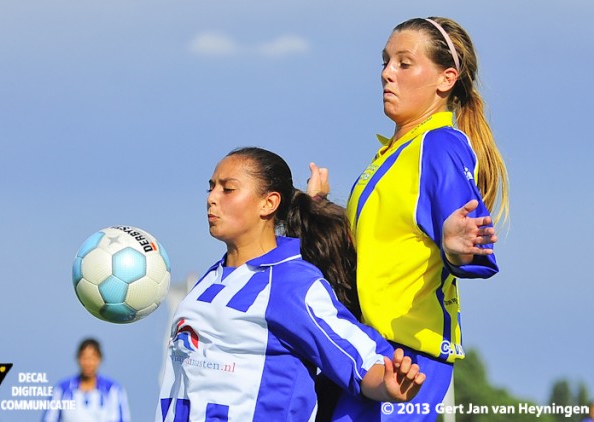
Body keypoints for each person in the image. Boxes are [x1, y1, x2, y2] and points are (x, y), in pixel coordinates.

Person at [308, 16, 509, 421]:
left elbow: (470, 244)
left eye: (404, 63)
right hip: (369, 350)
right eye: (385, 61)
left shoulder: (438, 144)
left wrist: (456, 249)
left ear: (446, 79)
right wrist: (319, 212)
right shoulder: (395, 152)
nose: (386, 73)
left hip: (409, 359)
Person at [154, 147, 426, 422]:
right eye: (211, 187)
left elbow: (361, 358)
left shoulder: (291, 284)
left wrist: (387, 384)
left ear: (268, 203)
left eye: (228, 189)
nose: (211, 198)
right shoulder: (212, 278)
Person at [42, 338, 131, 422]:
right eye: (84, 358)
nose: (88, 363)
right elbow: (49, 418)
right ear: (78, 359)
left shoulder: (113, 389)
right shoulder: (62, 389)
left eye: (92, 358)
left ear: (99, 359)